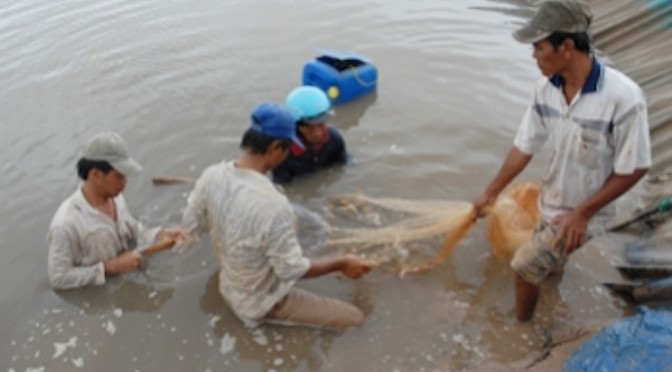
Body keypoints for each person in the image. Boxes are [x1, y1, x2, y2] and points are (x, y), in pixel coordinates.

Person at [472, 0, 652, 321]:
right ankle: (552, 305)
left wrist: (582, 214)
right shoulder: (547, 89)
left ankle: (521, 331)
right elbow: (523, 147)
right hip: (552, 202)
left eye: (539, 47)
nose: (533, 55)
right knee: (547, 268)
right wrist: (490, 192)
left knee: (524, 268)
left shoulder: (623, 98)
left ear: (566, 47)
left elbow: (635, 167)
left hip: (590, 212)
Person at [182, 103, 371, 330]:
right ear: (274, 148)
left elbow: (190, 226)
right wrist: (341, 263)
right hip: (261, 303)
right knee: (355, 318)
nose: (289, 153)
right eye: (288, 147)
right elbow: (292, 270)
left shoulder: (212, 174)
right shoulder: (273, 204)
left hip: (229, 284)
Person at [48, 132, 188, 290]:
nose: (125, 182)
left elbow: (134, 229)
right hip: (100, 299)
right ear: (96, 175)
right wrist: (109, 268)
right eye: (119, 176)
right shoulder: (65, 224)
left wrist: (159, 234)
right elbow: (58, 278)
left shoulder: (116, 198)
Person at [271, 86, 348, 184]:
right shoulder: (283, 156)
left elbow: (344, 167)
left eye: (321, 124)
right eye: (309, 127)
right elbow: (283, 187)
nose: (317, 133)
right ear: (295, 127)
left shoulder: (334, 139)